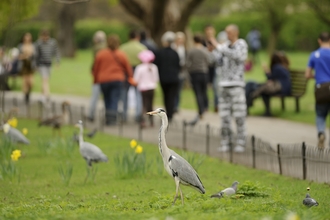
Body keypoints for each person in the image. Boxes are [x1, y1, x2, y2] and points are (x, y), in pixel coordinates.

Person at [209, 24, 248, 153]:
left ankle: (241, 142)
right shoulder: (223, 47)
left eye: (229, 32)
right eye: (226, 32)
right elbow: (216, 61)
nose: (227, 35)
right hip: (223, 85)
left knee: (239, 115)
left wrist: (218, 47)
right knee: (224, 116)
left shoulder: (241, 44)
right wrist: (212, 51)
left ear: (236, 32)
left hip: (236, 84)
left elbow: (237, 56)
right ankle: (226, 141)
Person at [93, 34, 136, 125]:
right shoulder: (121, 54)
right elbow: (128, 68)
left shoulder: (101, 54)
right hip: (117, 79)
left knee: (107, 99)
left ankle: (108, 118)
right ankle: (112, 119)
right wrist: (130, 77)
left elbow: (96, 68)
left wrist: (96, 80)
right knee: (114, 99)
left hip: (104, 80)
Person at [246, 51, 291, 116]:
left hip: (281, 88)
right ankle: (266, 111)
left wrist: (266, 70)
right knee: (264, 91)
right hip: (284, 88)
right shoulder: (281, 66)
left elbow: (270, 78)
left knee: (262, 88)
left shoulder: (276, 67)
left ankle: (251, 99)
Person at [305, 32, 330, 149]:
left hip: (321, 88)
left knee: (320, 114)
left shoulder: (314, 55)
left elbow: (307, 74)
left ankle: (321, 133)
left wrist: (318, 76)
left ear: (319, 41)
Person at [120, 30, 147, 123]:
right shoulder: (142, 48)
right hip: (138, 71)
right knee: (138, 94)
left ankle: (124, 115)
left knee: (124, 94)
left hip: (126, 72)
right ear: (138, 37)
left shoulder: (123, 48)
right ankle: (138, 114)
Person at [154, 31, 180, 122]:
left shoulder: (160, 52)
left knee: (165, 95)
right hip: (173, 78)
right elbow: (178, 65)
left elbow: (157, 64)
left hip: (164, 78)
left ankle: (167, 113)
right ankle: (170, 113)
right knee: (172, 96)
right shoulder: (175, 53)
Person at [186, 35, 211, 121]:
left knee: (198, 92)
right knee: (204, 91)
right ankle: (205, 106)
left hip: (195, 73)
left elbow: (188, 62)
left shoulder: (191, 51)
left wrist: (189, 70)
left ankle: (201, 110)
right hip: (204, 73)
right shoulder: (205, 50)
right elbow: (208, 61)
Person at [134, 50, 159, 127]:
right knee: (150, 105)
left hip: (143, 88)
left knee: (144, 104)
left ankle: (143, 121)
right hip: (151, 88)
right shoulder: (154, 67)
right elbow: (156, 79)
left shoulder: (139, 68)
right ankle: (151, 121)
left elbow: (136, 79)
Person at [86, 30, 107, 122]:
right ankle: (108, 116)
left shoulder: (96, 48)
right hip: (107, 75)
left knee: (95, 96)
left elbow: (95, 62)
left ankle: (91, 114)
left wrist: (92, 70)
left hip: (98, 75)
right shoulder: (107, 47)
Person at [35, 29, 60, 103]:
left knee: (46, 80)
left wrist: (57, 61)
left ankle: (42, 96)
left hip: (49, 64)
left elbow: (56, 52)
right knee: (44, 79)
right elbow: (37, 55)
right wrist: (36, 65)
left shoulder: (52, 42)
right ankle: (47, 95)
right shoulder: (39, 43)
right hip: (41, 64)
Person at [17, 33, 36, 105]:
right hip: (23, 65)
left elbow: (35, 56)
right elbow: (18, 56)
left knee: (31, 82)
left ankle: (28, 93)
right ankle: (26, 96)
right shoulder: (21, 46)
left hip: (31, 66)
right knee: (25, 81)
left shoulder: (33, 46)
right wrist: (25, 56)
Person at [173, 32, 187, 113]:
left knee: (179, 90)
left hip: (181, 70)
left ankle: (176, 106)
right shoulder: (173, 48)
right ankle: (173, 105)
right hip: (175, 70)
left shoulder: (183, 48)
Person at [204, 24, 217, 113]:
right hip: (205, 67)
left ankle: (216, 105)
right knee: (205, 88)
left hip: (215, 68)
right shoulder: (203, 43)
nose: (209, 33)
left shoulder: (217, 42)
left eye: (211, 31)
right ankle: (206, 106)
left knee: (216, 87)